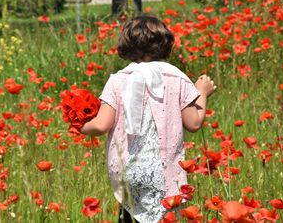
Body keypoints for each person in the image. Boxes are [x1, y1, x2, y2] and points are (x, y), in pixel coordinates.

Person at [81, 15, 216, 223]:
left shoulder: (118, 80)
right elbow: (194, 123)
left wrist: (81, 125)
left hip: (129, 171)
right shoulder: (176, 78)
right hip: (165, 172)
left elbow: (101, 125)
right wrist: (203, 93)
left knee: (130, 215)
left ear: (126, 44)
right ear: (165, 44)